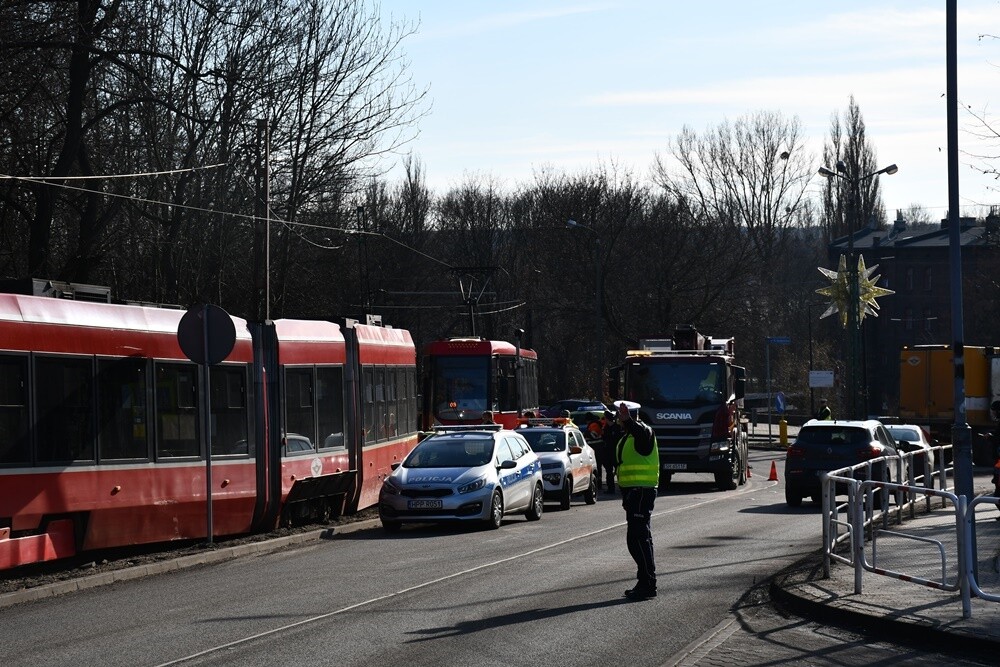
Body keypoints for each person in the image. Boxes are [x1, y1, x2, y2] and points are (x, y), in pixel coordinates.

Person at [614, 399, 659, 600]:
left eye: (620, 416)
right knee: (638, 538)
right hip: (634, 493)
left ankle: (648, 583)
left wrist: (630, 422)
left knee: (638, 538)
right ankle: (645, 581)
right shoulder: (628, 436)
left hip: (642, 492)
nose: (618, 419)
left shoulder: (643, 432)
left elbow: (641, 433)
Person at [597, 410, 621, 493]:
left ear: (607, 419)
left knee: (619, 471)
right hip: (608, 453)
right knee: (609, 472)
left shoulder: (617, 428)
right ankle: (611, 489)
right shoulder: (606, 427)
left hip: (615, 452)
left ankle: (622, 487)